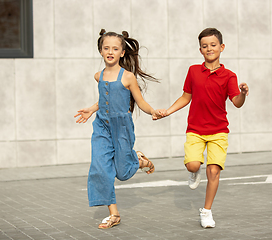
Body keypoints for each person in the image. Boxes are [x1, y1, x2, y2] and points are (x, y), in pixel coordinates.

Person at [156, 28, 249, 228]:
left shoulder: (229, 76)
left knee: (213, 171)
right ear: (200, 50)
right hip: (196, 130)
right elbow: (185, 97)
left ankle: (206, 211)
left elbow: (236, 102)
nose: (209, 49)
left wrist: (243, 94)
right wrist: (167, 111)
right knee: (193, 165)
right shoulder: (193, 71)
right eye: (205, 46)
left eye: (213, 45)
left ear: (221, 47)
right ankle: (193, 170)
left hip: (219, 131)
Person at [74, 29, 160, 229]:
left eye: (115, 48)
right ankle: (114, 214)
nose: (110, 51)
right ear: (100, 51)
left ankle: (138, 160)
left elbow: (140, 102)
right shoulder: (99, 76)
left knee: (121, 173)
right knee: (101, 168)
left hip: (121, 127)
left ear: (122, 52)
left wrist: (153, 112)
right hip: (101, 126)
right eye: (106, 48)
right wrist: (91, 109)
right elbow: (104, 99)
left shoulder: (128, 77)